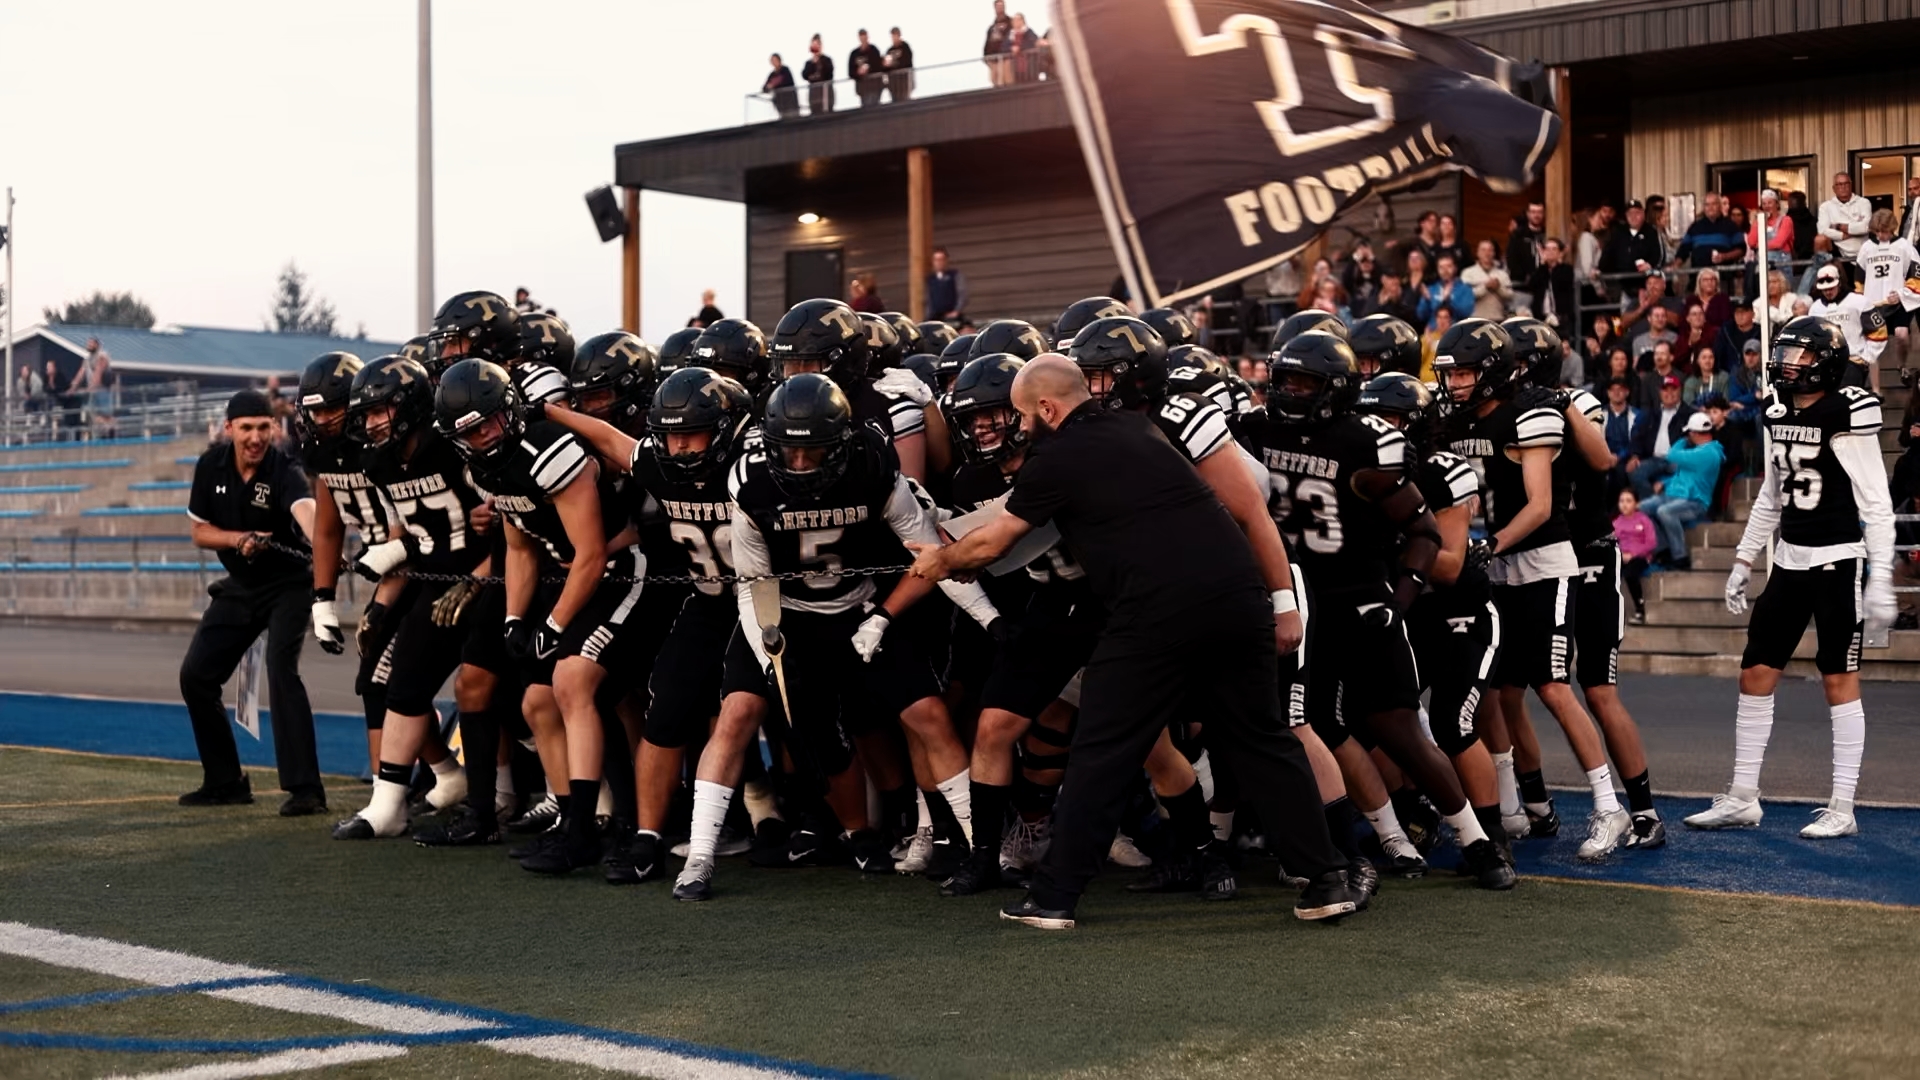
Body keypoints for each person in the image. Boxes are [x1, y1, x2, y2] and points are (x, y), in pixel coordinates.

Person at [908, 355, 1361, 928]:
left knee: (1101, 748)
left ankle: (1054, 896)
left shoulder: (1056, 455)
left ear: (1047, 409)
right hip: (1237, 596)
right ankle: (1325, 879)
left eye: (1024, 415)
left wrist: (940, 561)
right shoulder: (1138, 428)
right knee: (1262, 738)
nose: (1021, 427)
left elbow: (995, 542)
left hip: (1154, 611)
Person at [1434, 319, 1635, 860]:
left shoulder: (1532, 411)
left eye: (1466, 374)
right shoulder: (1450, 421)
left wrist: (1490, 543)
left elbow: (1541, 506)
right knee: (1498, 694)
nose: (1454, 385)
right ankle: (1510, 805)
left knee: (1552, 686)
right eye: (1451, 375)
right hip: (1495, 567)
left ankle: (1608, 805)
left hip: (1543, 563)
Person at [1691, 317, 1896, 839]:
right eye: (1786, 354)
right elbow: (1770, 493)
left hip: (1837, 559)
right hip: (1789, 559)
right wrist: (1742, 559)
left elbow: (1876, 502)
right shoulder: (1777, 408)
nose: (1788, 364)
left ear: (1825, 361)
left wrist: (1881, 577)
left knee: (1837, 679)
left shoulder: (1848, 408)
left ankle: (1843, 806)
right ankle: (1742, 796)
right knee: (1755, 674)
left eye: (1800, 357)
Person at [177, 389, 324, 816]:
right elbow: (200, 533)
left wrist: (324, 546)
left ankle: (306, 790)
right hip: (240, 585)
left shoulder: (286, 470)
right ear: (229, 430)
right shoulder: (210, 466)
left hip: (289, 586)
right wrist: (238, 540)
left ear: (274, 428)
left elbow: (305, 509)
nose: (256, 437)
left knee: (281, 671)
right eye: (246, 428)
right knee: (196, 677)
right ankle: (225, 782)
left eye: (263, 427)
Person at [1638, 412, 1723, 569]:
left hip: (1695, 502)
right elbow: (1687, 473)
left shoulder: (1709, 453)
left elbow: (1672, 455)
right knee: (1641, 509)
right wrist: (1665, 483)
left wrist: (1683, 440)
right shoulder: (1698, 451)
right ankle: (1663, 549)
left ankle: (1680, 556)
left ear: (1693, 433)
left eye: (1690, 433)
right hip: (1674, 494)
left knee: (1665, 511)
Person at [1626, 373, 1694, 498]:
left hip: (1678, 460)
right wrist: (1635, 455)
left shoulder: (1690, 415)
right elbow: (1637, 436)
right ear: (1660, 393)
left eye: (1673, 389)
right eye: (1665, 390)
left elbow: (1694, 442)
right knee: (1634, 472)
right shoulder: (1650, 414)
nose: (1669, 393)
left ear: (1680, 391)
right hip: (1654, 459)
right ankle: (1652, 503)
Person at [1674, 192, 1747, 270]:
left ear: (1719, 206)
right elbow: (1683, 250)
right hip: (1699, 277)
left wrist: (1724, 257)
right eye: (1707, 205)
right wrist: (1675, 266)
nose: (1710, 207)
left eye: (1714, 204)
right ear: (1703, 207)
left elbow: (1741, 250)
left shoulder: (1731, 226)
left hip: (1723, 276)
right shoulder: (1695, 227)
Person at [1613, 489, 1655, 623]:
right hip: (1621, 557)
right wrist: (1621, 554)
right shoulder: (1616, 523)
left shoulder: (1644, 520)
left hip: (1641, 557)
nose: (1624, 504)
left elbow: (1651, 543)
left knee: (1630, 574)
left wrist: (1633, 554)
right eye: (1622, 501)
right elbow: (1612, 543)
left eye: (1628, 501)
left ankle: (1640, 609)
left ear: (1636, 504)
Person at [1600, 200, 1663, 285]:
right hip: (1621, 284)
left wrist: (1650, 265)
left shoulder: (1651, 232)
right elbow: (1607, 255)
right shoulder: (1618, 232)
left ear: (1643, 214)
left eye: (1637, 213)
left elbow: (1659, 254)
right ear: (1626, 215)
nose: (1633, 217)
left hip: (1644, 283)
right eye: (1630, 214)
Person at [1817, 172, 1872, 262]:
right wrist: (1842, 235)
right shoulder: (1825, 206)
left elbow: (1866, 227)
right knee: (1820, 240)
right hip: (1839, 255)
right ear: (1834, 188)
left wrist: (1838, 226)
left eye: (1846, 183)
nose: (1843, 187)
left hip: (1863, 253)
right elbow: (1822, 231)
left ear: (1851, 185)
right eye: (1839, 184)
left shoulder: (1864, 202)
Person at [1525, 237, 1575, 330]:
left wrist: (1557, 263)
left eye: (1554, 249)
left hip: (1561, 317)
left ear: (1560, 253)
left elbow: (1558, 281)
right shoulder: (1540, 270)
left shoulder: (1566, 269)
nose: (1550, 252)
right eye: (1547, 249)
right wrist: (1543, 263)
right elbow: (1532, 286)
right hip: (1541, 318)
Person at [1417, 253, 1473, 329]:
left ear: (1455, 268)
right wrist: (1426, 300)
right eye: (1441, 267)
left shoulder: (1465, 289)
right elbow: (1421, 316)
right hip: (1433, 334)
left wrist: (1448, 300)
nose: (1445, 271)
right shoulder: (1431, 289)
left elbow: (1466, 313)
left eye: (1449, 266)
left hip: (1456, 333)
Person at [1462, 239, 1513, 321]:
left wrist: (1498, 288)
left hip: (1497, 319)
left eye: (1490, 250)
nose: (1487, 253)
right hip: (1474, 319)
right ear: (1477, 253)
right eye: (1483, 250)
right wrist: (1485, 287)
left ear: (1494, 253)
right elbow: (1465, 296)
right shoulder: (1468, 273)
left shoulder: (1503, 274)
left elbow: (1510, 296)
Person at [924, 247, 968, 322]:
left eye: (941, 260)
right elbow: (928, 299)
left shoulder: (955, 275)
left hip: (952, 317)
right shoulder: (930, 279)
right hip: (935, 317)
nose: (939, 262)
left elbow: (962, 294)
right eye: (936, 260)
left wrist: (956, 311)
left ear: (946, 260)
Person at [849, 29, 885, 107]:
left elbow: (879, 66)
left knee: (875, 108)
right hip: (863, 88)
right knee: (865, 108)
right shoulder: (854, 54)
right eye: (861, 36)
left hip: (875, 86)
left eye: (864, 36)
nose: (863, 39)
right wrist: (858, 73)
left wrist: (869, 68)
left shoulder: (874, 50)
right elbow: (850, 72)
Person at [802, 34, 834, 115]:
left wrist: (820, 62)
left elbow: (829, 74)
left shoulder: (827, 60)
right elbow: (804, 75)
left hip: (825, 92)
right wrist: (813, 64)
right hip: (814, 93)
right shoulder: (808, 63)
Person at [983, 0, 1013, 86]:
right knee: (995, 80)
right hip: (993, 58)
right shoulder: (992, 28)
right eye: (998, 6)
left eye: (1001, 6)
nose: (1000, 8)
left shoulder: (1011, 23)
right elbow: (988, 43)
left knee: (1006, 80)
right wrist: (986, 57)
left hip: (1006, 57)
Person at [762, 54, 799, 120]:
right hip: (780, 103)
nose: (774, 62)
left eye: (775, 60)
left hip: (790, 102)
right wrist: (769, 87)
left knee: (793, 119)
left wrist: (773, 84)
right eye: (772, 61)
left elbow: (785, 81)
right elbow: (764, 88)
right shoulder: (772, 74)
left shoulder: (785, 70)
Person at [883, 27, 914, 103]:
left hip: (904, 81)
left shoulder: (905, 47)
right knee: (895, 101)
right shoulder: (890, 50)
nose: (894, 38)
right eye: (892, 36)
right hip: (893, 83)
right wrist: (885, 65)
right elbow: (885, 68)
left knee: (905, 101)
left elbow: (907, 62)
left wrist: (894, 64)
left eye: (895, 35)